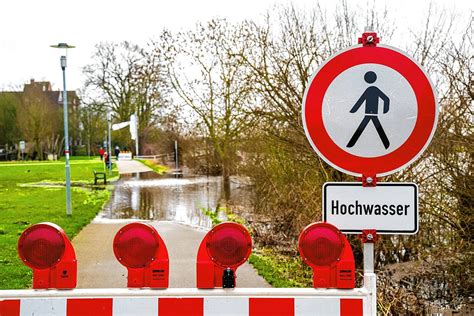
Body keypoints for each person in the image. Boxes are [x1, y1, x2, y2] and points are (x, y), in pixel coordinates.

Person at [346, 71, 390, 149]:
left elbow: (361, 100)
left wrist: (354, 110)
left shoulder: (371, 90)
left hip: (371, 113)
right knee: (376, 128)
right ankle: (386, 145)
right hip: (371, 114)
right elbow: (386, 99)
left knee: (365, 127)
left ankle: (351, 144)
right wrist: (385, 110)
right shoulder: (373, 89)